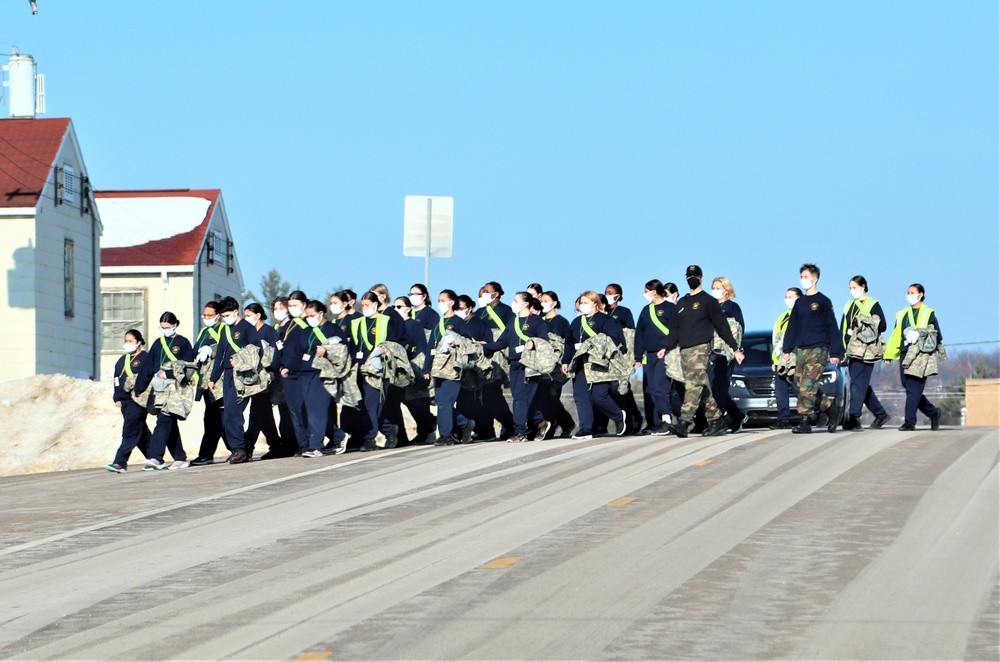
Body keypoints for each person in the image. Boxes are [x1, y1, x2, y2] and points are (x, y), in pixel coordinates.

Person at [665, 266, 745, 438]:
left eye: (695, 275)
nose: (691, 278)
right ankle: (717, 421)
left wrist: (735, 348)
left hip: (700, 349)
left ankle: (684, 422)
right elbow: (674, 330)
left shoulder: (708, 301)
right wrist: (666, 348)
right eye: (689, 276)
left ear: (701, 278)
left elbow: (722, 326)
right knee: (702, 386)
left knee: (693, 385)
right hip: (684, 350)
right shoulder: (682, 303)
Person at [781, 264, 842, 434]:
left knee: (808, 385)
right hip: (801, 349)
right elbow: (792, 326)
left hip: (818, 349)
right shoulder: (800, 302)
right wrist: (787, 349)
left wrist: (836, 352)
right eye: (801, 277)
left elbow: (832, 326)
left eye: (806, 277)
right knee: (802, 386)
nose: (803, 280)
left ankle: (805, 420)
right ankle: (831, 410)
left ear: (814, 279)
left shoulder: (823, 301)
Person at [485, 292, 548, 442]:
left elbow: (544, 341)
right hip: (515, 364)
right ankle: (541, 422)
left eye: (516, 300)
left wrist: (534, 343)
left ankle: (520, 431)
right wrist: (484, 348)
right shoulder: (512, 321)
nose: (513, 303)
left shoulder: (536, 321)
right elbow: (502, 342)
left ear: (525, 303)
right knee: (520, 398)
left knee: (522, 398)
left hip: (531, 365)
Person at [566, 290, 628, 440]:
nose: (582, 306)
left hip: (598, 364)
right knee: (581, 397)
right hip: (580, 363)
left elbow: (615, 339)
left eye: (586, 303)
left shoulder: (605, 320)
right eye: (581, 303)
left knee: (598, 396)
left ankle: (618, 416)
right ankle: (585, 428)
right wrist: (565, 361)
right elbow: (568, 343)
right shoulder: (576, 322)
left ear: (595, 303)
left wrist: (593, 346)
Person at [349, 292, 406, 451]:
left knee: (372, 404)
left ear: (375, 304)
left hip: (379, 370)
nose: (364, 308)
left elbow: (394, 344)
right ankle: (388, 429)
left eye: (367, 305)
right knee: (369, 405)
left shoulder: (385, 321)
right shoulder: (357, 323)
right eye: (363, 305)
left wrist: (383, 351)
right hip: (362, 368)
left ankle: (370, 438)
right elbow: (354, 345)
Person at [884, 283, 943, 431]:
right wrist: (889, 354)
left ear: (921, 295)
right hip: (905, 353)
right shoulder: (902, 313)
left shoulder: (928, 313)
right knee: (908, 386)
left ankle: (910, 421)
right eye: (908, 292)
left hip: (921, 355)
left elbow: (937, 335)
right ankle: (933, 412)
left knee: (913, 387)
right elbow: (895, 334)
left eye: (912, 292)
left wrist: (920, 334)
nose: (909, 295)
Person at [207, 296, 258, 464]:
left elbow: (257, 351)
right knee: (228, 412)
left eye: (228, 314)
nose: (225, 318)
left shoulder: (247, 328)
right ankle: (242, 448)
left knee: (234, 412)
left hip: (242, 376)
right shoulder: (224, 330)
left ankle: (240, 449)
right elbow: (220, 355)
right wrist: (214, 377)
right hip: (228, 375)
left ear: (236, 312)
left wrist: (240, 362)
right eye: (223, 315)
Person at [295, 300, 348, 456]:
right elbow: (299, 349)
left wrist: (326, 351)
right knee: (311, 410)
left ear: (320, 313)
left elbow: (342, 350)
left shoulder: (332, 329)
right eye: (307, 316)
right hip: (306, 372)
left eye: (312, 315)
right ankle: (339, 436)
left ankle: (316, 446)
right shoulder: (306, 331)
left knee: (317, 410)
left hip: (323, 373)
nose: (309, 318)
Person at [840, 276, 891, 430]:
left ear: (863, 287)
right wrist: (840, 349)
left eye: (854, 287)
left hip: (867, 350)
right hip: (852, 349)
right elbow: (842, 327)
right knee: (859, 384)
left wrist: (862, 322)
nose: (852, 291)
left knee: (857, 383)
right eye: (850, 288)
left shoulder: (873, 304)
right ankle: (880, 413)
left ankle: (854, 417)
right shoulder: (849, 305)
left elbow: (882, 325)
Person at [144, 312, 194, 469]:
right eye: (162, 327)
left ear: (175, 325)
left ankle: (155, 457)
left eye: (168, 327)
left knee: (164, 421)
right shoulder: (158, 343)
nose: (165, 330)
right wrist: (141, 387)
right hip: (160, 389)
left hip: (176, 389)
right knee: (169, 422)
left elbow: (189, 367)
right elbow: (148, 365)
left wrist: (170, 374)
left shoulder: (183, 342)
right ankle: (179, 457)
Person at [430, 290, 477, 446]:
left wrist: (456, 342)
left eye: (443, 300)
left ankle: (445, 435)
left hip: (452, 368)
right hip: (437, 368)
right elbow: (431, 347)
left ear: (451, 302)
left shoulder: (457, 321)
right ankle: (464, 423)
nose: (440, 303)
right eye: (438, 300)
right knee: (441, 402)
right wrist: (426, 369)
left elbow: (468, 342)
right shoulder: (438, 323)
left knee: (445, 402)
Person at [106, 330, 154, 473]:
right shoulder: (122, 360)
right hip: (124, 401)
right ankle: (154, 457)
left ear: (139, 342)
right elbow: (116, 379)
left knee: (130, 431)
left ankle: (120, 462)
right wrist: (117, 397)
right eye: (126, 341)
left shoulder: (146, 358)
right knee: (140, 431)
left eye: (130, 341)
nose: (127, 344)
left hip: (137, 400)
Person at [387, 296, 433, 445]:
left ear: (408, 308)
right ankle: (425, 428)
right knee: (405, 401)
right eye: (394, 307)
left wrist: (423, 367)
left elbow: (421, 347)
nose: (396, 310)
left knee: (417, 401)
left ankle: (429, 426)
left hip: (414, 366)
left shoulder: (413, 325)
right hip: (400, 368)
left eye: (399, 307)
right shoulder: (395, 324)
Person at [634, 279, 676, 435]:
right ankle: (657, 421)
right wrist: (638, 356)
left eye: (647, 291)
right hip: (649, 355)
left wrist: (666, 347)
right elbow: (640, 334)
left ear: (654, 291)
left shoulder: (670, 308)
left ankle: (667, 419)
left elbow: (675, 330)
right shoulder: (646, 310)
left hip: (666, 353)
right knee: (651, 388)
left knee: (660, 386)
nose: (645, 294)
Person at [190, 302, 229, 466]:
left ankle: (238, 448)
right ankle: (210, 454)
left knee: (222, 419)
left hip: (219, 381)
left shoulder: (223, 330)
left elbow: (227, 351)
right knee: (212, 419)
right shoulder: (203, 332)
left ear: (218, 315)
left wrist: (213, 353)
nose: (207, 318)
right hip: (206, 382)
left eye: (210, 315)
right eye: (204, 315)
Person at [475, 281, 515, 440]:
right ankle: (485, 429)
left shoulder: (506, 311)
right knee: (480, 396)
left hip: (498, 359)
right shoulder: (479, 312)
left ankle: (509, 423)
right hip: (480, 360)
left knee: (492, 395)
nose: (483, 293)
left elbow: (511, 333)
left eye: (487, 291)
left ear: (496, 293)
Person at [242, 302, 284, 457]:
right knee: (264, 414)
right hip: (253, 378)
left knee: (257, 412)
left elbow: (276, 352)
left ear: (258, 315)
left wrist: (272, 370)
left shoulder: (269, 332)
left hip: (266, 378)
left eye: (248, 315)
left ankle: (248, 447)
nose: (246, 319)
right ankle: (275, 444)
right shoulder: (248, 332)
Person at [709, 276, 748, 433]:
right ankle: (737, 414)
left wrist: (735, 350)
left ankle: (720, 420)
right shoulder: (710, 306)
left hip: (727, 353)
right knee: (713, 388)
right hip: (712, 352)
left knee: (720, 387)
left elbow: (739, 329)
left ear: (726, 290)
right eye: (713, 287)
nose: (715, 291)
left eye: (718, 288)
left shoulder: (732, 307)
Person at [278, 291, 312, 453]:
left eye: (295, 305)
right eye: (290, 306)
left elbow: (303, 349)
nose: (292, 309)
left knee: (305, 408)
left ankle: (318, 439)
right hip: (287, 372)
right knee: (294, 409)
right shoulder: (290, 325)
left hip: (302, 371)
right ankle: (303, 443)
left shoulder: (307, 324)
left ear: (304, 305)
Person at [539, 290, 575, 438]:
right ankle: (560, 424)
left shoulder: (562, 322)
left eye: (546, 301)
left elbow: (568, 343)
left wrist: (565, 361)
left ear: (554, 303)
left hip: (557, 366)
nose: (543, 304)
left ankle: (562, 424)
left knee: (552, 397)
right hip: (541, 366)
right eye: (541, 301)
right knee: (543, 397)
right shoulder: (539, 320)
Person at [266, 295, 299, 458]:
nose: (278, 311)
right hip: (280, 377)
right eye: (275, 309)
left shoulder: (294, 326)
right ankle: (287, 444)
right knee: (283, 413)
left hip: (292, 373)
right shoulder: (277, 328)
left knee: (292, 412)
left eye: (281, 308)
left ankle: (297, 443)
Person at [769, 288, 801, 429]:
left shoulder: (802, 316)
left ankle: (817, 413)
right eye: (786, 296)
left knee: (799, 390)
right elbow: (775, 342)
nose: (787, 299)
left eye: (791, 297)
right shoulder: (782, 318)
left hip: (797, 359)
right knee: (780, 390)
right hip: (782, 360)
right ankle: (783, 418)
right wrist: (775, 361)